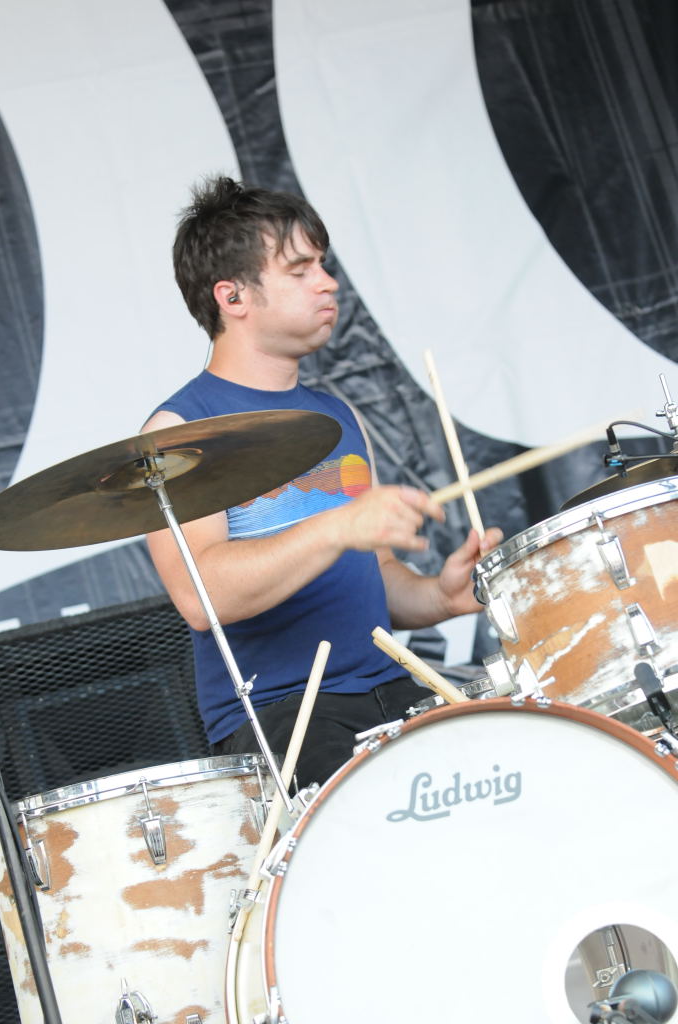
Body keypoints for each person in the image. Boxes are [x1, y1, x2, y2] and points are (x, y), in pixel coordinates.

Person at [143, 176, 501, 787]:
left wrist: (439, 597)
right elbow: (204, 599)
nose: (328, 282)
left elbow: (377, 578)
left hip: (391, 684)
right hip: (282, 715)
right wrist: (337, 526)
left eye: (323, 265)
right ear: (233, 296)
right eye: (300, 269)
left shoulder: (339, 417)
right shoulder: (179, 433)